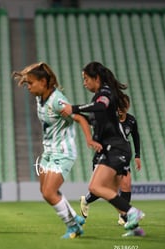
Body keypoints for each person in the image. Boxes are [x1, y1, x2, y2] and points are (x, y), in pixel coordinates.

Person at [12, 62, 102, 239]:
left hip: (63, 152)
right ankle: (74, 217)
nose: (28, 87)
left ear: (43, 82)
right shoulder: (40, 97)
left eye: (31, 83)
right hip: (49, 152)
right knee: (45, 192)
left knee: (49, 192)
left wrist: (89, 139)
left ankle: (73, 226)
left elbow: (81, 119)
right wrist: (28, 73)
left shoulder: (57, 101)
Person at [61, 61, 145, 237]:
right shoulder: (101, 95)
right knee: (112, 194)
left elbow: (101, 106)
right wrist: (75, 115)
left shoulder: (104, 92)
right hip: (113, 148)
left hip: (116, 148)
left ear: (96, 78)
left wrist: (74, 108)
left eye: (85, 79)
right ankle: (135, 228)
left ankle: (132, 212)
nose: (84, 83)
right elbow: (96, 117)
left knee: (95, 187)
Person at [80, 94, 142, 230]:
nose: (120, 109)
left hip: (121, 155)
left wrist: (137, 155)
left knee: (126, 184)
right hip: (105, 155)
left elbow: (136, 136)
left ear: (128, 107)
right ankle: (86, 200)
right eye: (118, 106)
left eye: (123, 107)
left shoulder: (131, 120)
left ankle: (124, 216)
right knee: (103, 188)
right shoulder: (110, 119)